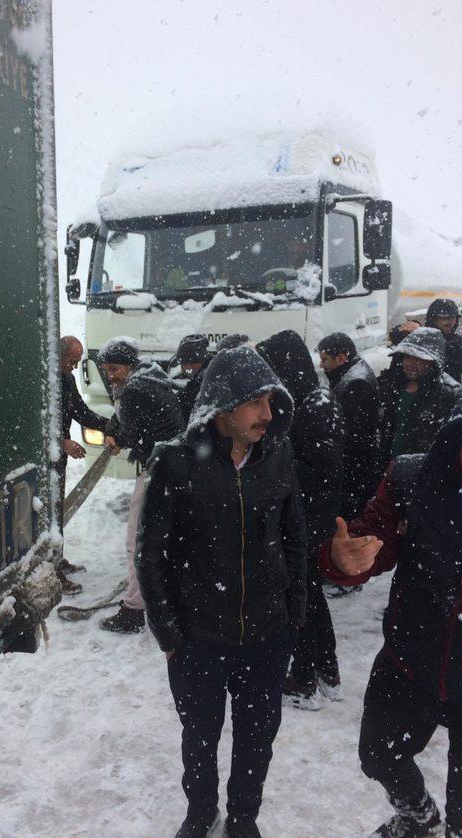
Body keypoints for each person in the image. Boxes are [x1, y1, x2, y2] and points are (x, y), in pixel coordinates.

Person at [136, 346, 306, 838]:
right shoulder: (176, 462)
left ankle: (243, 818)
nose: (267, 416)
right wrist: (167, 630)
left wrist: (294, 614)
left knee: (257, 738)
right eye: (257, 404)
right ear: (225, 406)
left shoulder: (278, 456)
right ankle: (199, 811)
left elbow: (295, 537)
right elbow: (151, 554)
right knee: (200, 736)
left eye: (272, 403)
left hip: (269, 633)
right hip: (199, 635)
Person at [319, 401, 462, 838]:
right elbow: (369, 539)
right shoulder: (415, 476)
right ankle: (419, 818)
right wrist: (344, 559)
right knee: (378, 755)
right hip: (411, 656)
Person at [256, 330, 344, 709]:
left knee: (300, 598)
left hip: (307, 517)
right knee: (311, 597)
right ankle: (327, 672)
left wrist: (276, 474)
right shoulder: (311, 398)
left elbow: (321, 467)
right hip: (310, 514)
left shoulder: (311, 405)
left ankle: (306, 678)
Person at [98, 336, 184, 634]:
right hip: (174, 467)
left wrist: (118, 439)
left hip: (156, 471)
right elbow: (121, 417)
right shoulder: (152, 376)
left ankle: (134, 609)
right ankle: (166, 597)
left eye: (115, 369)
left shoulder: (134, 389)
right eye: (106, 369)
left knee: (137, 540)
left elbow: (133, 430)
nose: (111, 375)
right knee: (162, 539)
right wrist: (113, 429)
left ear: (129, 365)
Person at [56, 336, 109, 594]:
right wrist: (62, 442)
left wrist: (111, 426)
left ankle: (56, 558)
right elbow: (37, 424)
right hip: (45, 460)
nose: (75, 367)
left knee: (57, 513)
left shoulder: (67, 379)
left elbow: (80, 411)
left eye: (78, 362)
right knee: (46, 518)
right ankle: (52, 572)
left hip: (58, 459)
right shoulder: (45, 381)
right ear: (59, 355)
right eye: (71, 361)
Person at [377, 327, 461, 470]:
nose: (409, 364)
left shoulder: (450, 393)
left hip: (426, 472)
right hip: (393, 468)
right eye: (407, 357)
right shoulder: (394, 385)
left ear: (433, 362)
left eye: (418, 359)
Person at [318, 332, 380, 519]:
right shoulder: (352, 374)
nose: (321, 365)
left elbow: (353, 434)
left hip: (356, 467)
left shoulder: (355, 384)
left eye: (325, 359)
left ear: (341, 358)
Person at [175, 333, 214, 421]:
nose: (182, 368)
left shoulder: (203, 380)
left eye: (182, 363)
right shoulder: (212, 369)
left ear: (190, 363)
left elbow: (187, 398)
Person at [425, 298, 462, 383]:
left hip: (451, 393)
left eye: (453, 317)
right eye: (445, 318)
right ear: (433, 319)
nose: (450, 322)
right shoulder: (422, 340)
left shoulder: (458, 342)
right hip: (424, 392)